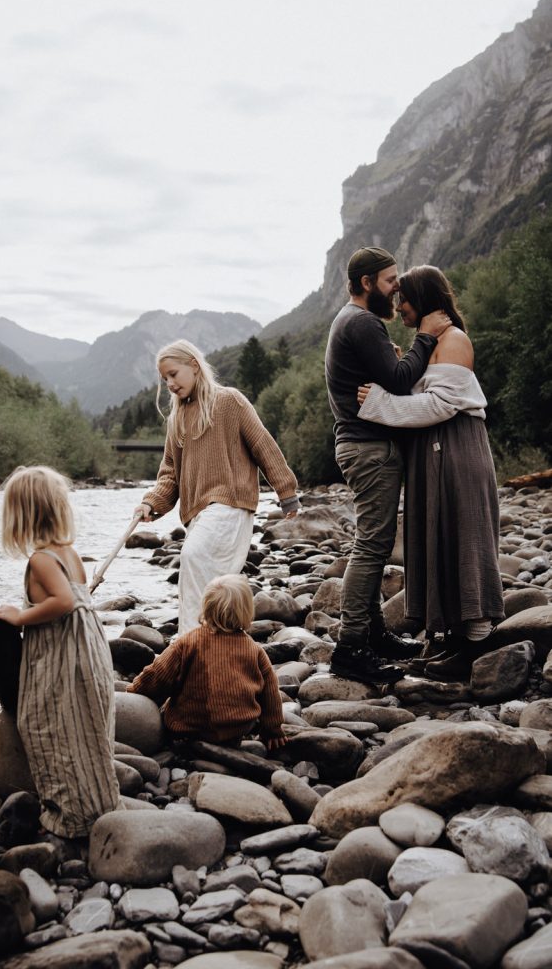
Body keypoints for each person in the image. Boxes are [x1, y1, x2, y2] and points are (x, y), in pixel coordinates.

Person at [357, 265, 505, 680]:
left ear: (422, 298)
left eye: (403, 297)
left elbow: (439, 406)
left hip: (457, 448)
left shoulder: (455, 339)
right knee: (440, 538)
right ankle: (455, 639)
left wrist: (379, 403)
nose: (397, 305)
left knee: (465, 535)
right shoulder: (430, 342)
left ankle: (477, 643)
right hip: (435, 451)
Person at [325, 246, 452, 685]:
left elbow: (388, 376)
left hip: (364, 447)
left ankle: (374, 633)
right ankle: (350, 648)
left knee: (373, 542)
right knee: (372, 545)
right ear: (367, 283)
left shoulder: (354, 321)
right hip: (369, 448)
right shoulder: (361, 322)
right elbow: (399, 382)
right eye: (390, 280)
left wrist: (395, 357)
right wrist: (427, 338)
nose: (396, 287)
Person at [134, 339, 299, 634]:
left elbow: (263, 445)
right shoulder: (177, 419)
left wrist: (286, 492)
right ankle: (212, 645)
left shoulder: (229, 401)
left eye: (173, 374)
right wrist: (151, 502)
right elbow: (169, 474)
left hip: (231, 505)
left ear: (194, 366)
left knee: (192, 557)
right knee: (210, 587)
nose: (169, 383)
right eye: (164, 379)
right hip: (198, 514)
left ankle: (190, 643)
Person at [0, 465, 120, 839]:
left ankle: (72, 814)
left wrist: (20, 617)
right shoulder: (69, 552)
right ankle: (99, 800)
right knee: (86, 724)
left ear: (23, 516)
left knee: (49, 724)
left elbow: (64, 601)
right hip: (88, 649)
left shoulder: (41, 560)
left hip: (61, 656)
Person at [127, 573, 287, 749]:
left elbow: (159, 674)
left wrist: (136, 689)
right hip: (236, 728)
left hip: (189, 727)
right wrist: (273, 729)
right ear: (247, 611)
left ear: (206, 607)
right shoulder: (254, 649)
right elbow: (270, 691)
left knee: (165, 706)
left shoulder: (188, 642)